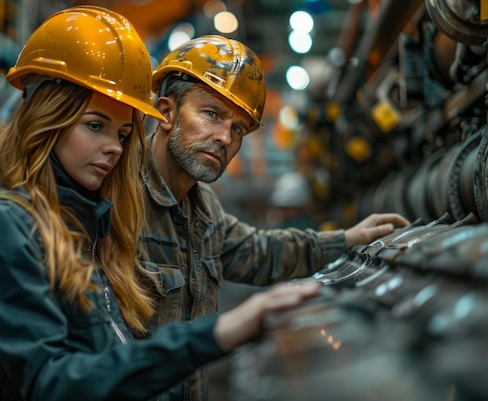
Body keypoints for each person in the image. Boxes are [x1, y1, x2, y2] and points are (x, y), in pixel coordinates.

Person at [0, 6, 322, 401]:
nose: (114, 147)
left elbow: (109, 357)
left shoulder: (92, 220)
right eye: (95, 126)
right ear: (48, 118)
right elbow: (53, 382)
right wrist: (215, 334)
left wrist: (347, 241)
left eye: (124, 133)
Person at [138, 35, 410, 400]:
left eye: (237, 129)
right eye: (211, 114)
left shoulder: (201, 209)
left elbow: (258, 251)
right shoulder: (118, 200)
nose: (224, 138)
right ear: (167, 112)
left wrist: (347, 239)